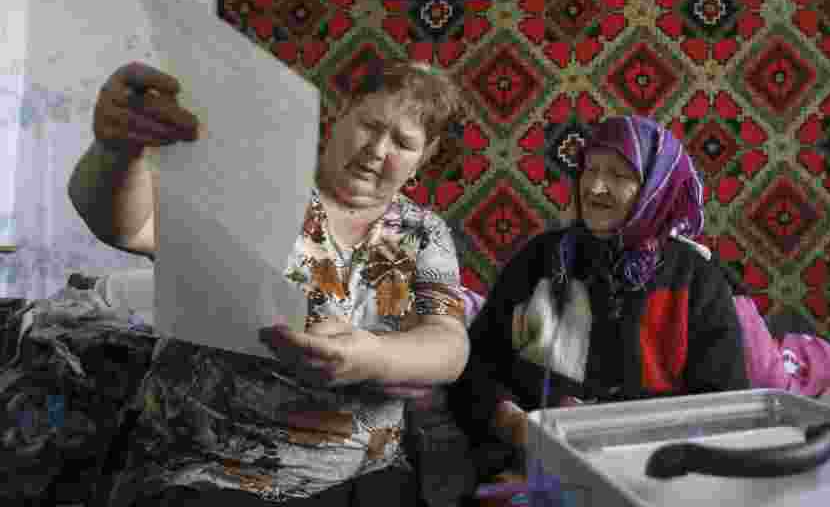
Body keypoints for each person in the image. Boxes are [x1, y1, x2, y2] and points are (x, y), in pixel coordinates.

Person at [68, 59, 471, 506]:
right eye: (370, 124)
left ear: (424, 158)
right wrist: (117, 152)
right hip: (212, 471)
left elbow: (448, 343)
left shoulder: (424, 232)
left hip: (361, 476)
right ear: (341, 116)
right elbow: (130, 226)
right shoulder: (256, 190)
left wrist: (373, 357)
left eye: (402, 142)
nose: (378, 149)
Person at [449, 115, 749, 483]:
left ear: (657, 187)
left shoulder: (695, 276)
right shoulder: (540, 260)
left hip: (655, 479)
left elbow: (726, 405)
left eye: (620, 176)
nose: (596, 187)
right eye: (590, 169)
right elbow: (474, 366)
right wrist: (511, 422)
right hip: (534, 471)